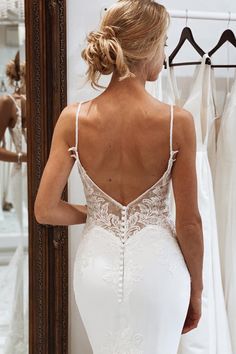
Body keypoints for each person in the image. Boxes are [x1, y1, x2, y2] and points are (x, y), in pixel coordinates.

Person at [34, 0, 204, 352]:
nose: (164, 52)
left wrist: (96, 213)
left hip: (97, 271)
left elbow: (45, 210)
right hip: (160, 273)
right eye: (164, 42)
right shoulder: (177, 122)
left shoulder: (73, 119)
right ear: (149, 46)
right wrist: (197, 289)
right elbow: (189, 223)